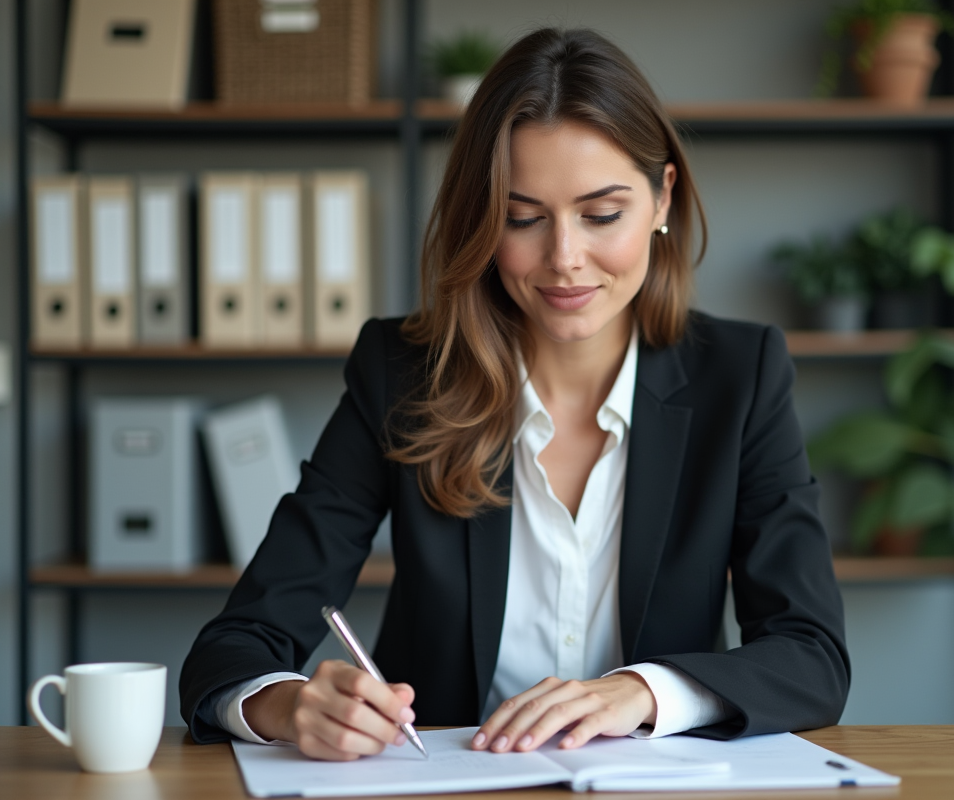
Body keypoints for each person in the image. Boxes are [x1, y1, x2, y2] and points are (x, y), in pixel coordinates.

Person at [180, 27, 848, 762]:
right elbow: (231, 651)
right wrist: (289, 705)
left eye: (602, 214)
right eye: (521, 218)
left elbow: (810, 654)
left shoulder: (741, 376)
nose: (564, 259)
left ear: (663, 198)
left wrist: (640, 692)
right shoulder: (402, 372)